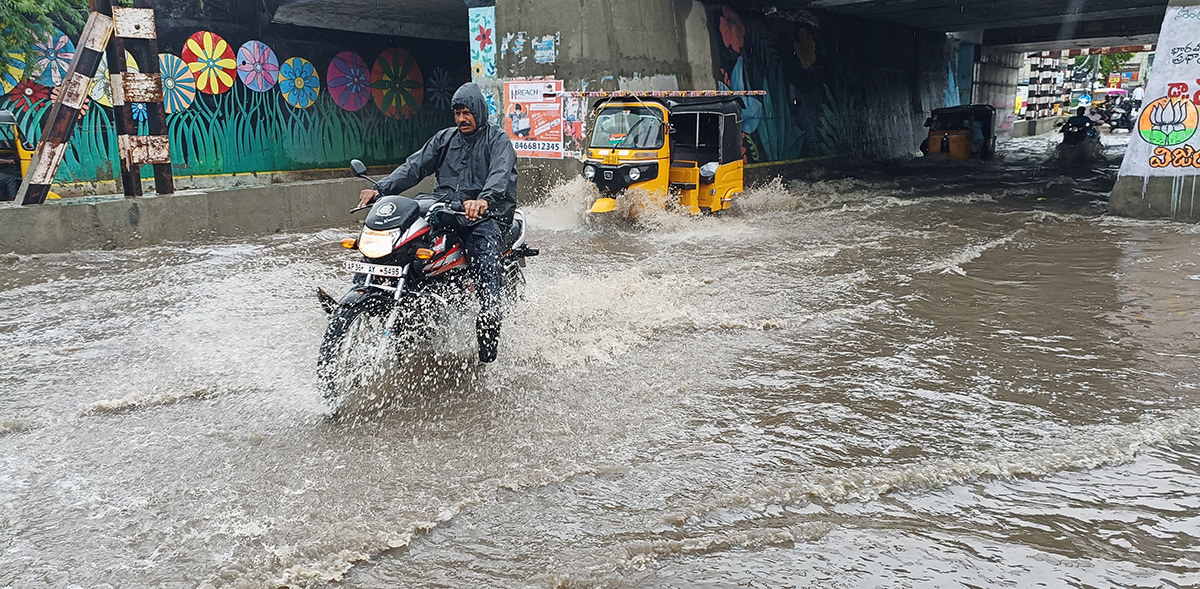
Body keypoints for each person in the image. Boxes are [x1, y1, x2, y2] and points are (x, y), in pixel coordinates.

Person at [356, 82, 517, 363]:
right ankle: (363, 296)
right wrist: (381, 188)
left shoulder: (498, 140)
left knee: (484, 263)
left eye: (467, 112)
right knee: (403, 245)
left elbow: (500, 175)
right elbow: (414, 166)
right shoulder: (445, 139)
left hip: (485, 217)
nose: (462, 119)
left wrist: (484, 200)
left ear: (479, 111)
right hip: (447, 211)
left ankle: (489, 330)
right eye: (457, 113)